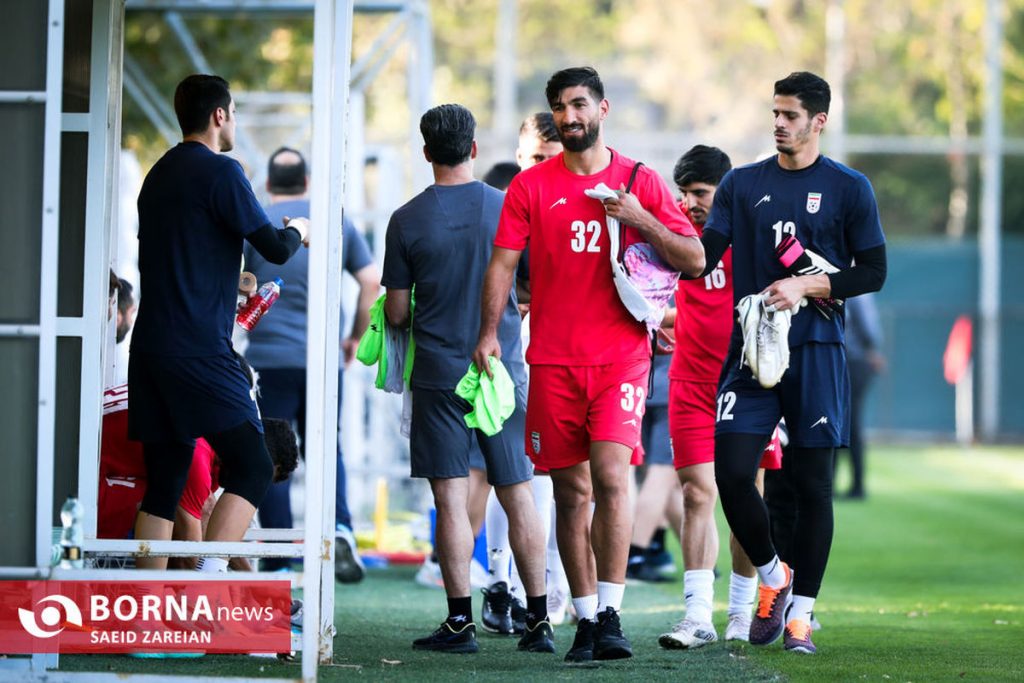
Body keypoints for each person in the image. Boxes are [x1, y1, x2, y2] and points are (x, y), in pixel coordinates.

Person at [474, 67, 705, 662]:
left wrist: (639, 217)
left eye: (579, 104)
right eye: (560, 107)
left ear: (602, 109)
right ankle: (582, 617)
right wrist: (488, 334)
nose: (569, 116)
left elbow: (695, 258)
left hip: (620, 359)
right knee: (571, 492)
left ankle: (611, 613)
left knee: (611, 478)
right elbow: (502, 265)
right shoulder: (530, 187)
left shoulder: (638, 179)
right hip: (552, 361)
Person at [701, 72, 887, 654]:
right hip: (753, 352)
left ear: (818, 121)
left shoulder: (849, 187)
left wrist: (807, 285)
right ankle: (773, 575)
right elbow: (702, 257)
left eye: (790, 115)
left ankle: (801, 616)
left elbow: (873, 272)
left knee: (812, 486)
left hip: (818, 352)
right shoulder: (741, 183)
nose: (778, 123)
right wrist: (651, 228)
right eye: (775, 113)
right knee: (731, 472)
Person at [383, 103, 552, 655]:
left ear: (426, 152)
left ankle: (460, 624)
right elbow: (533, 287)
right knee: (518, 493)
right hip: (502, 370)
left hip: (438, 373)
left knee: (451, 499)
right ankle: (539, 621)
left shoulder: (405, 219)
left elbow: (398, 314)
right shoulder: (508, 206)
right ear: (474, 149)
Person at [129, 74, 309, 572]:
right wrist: (299, 230)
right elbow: (275, 248)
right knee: (253, 465)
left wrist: (231, 284)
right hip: (199, 349)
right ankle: (208, 586)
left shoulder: (158, 174)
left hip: (150, 349)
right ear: (219, 115)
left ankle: (148, 609)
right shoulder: (223, 172)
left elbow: (183, 256)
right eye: (234, 113)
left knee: (165, 483)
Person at [655, 145, 783, 650]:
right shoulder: (675, 232)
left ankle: (742, 612)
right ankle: (696, 616)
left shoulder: (752, 234)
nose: (690, 203)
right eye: (684, 193)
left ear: (725, 191)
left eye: (700, 193)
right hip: (689, 380)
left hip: (746, 382)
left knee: (745, 492)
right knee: (696, 493)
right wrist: (660, 319)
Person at [243, 146, 381, 582]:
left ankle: (279, 553)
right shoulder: (333, 219)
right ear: (306, 182)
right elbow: (370, 281)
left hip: (268, 359)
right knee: (325, 446)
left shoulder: (256, 220)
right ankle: (339, 528)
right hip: (322, 359)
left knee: (271, 449)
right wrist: (355, 336)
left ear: (269, 183)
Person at [837, 292, 884, 499]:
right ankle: (844, 484)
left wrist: (871, 349)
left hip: (853, 361)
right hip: (851, 360)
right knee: (842, 422)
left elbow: (869, 330)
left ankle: (857, 486)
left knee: (849, 423)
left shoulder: (858, 293)